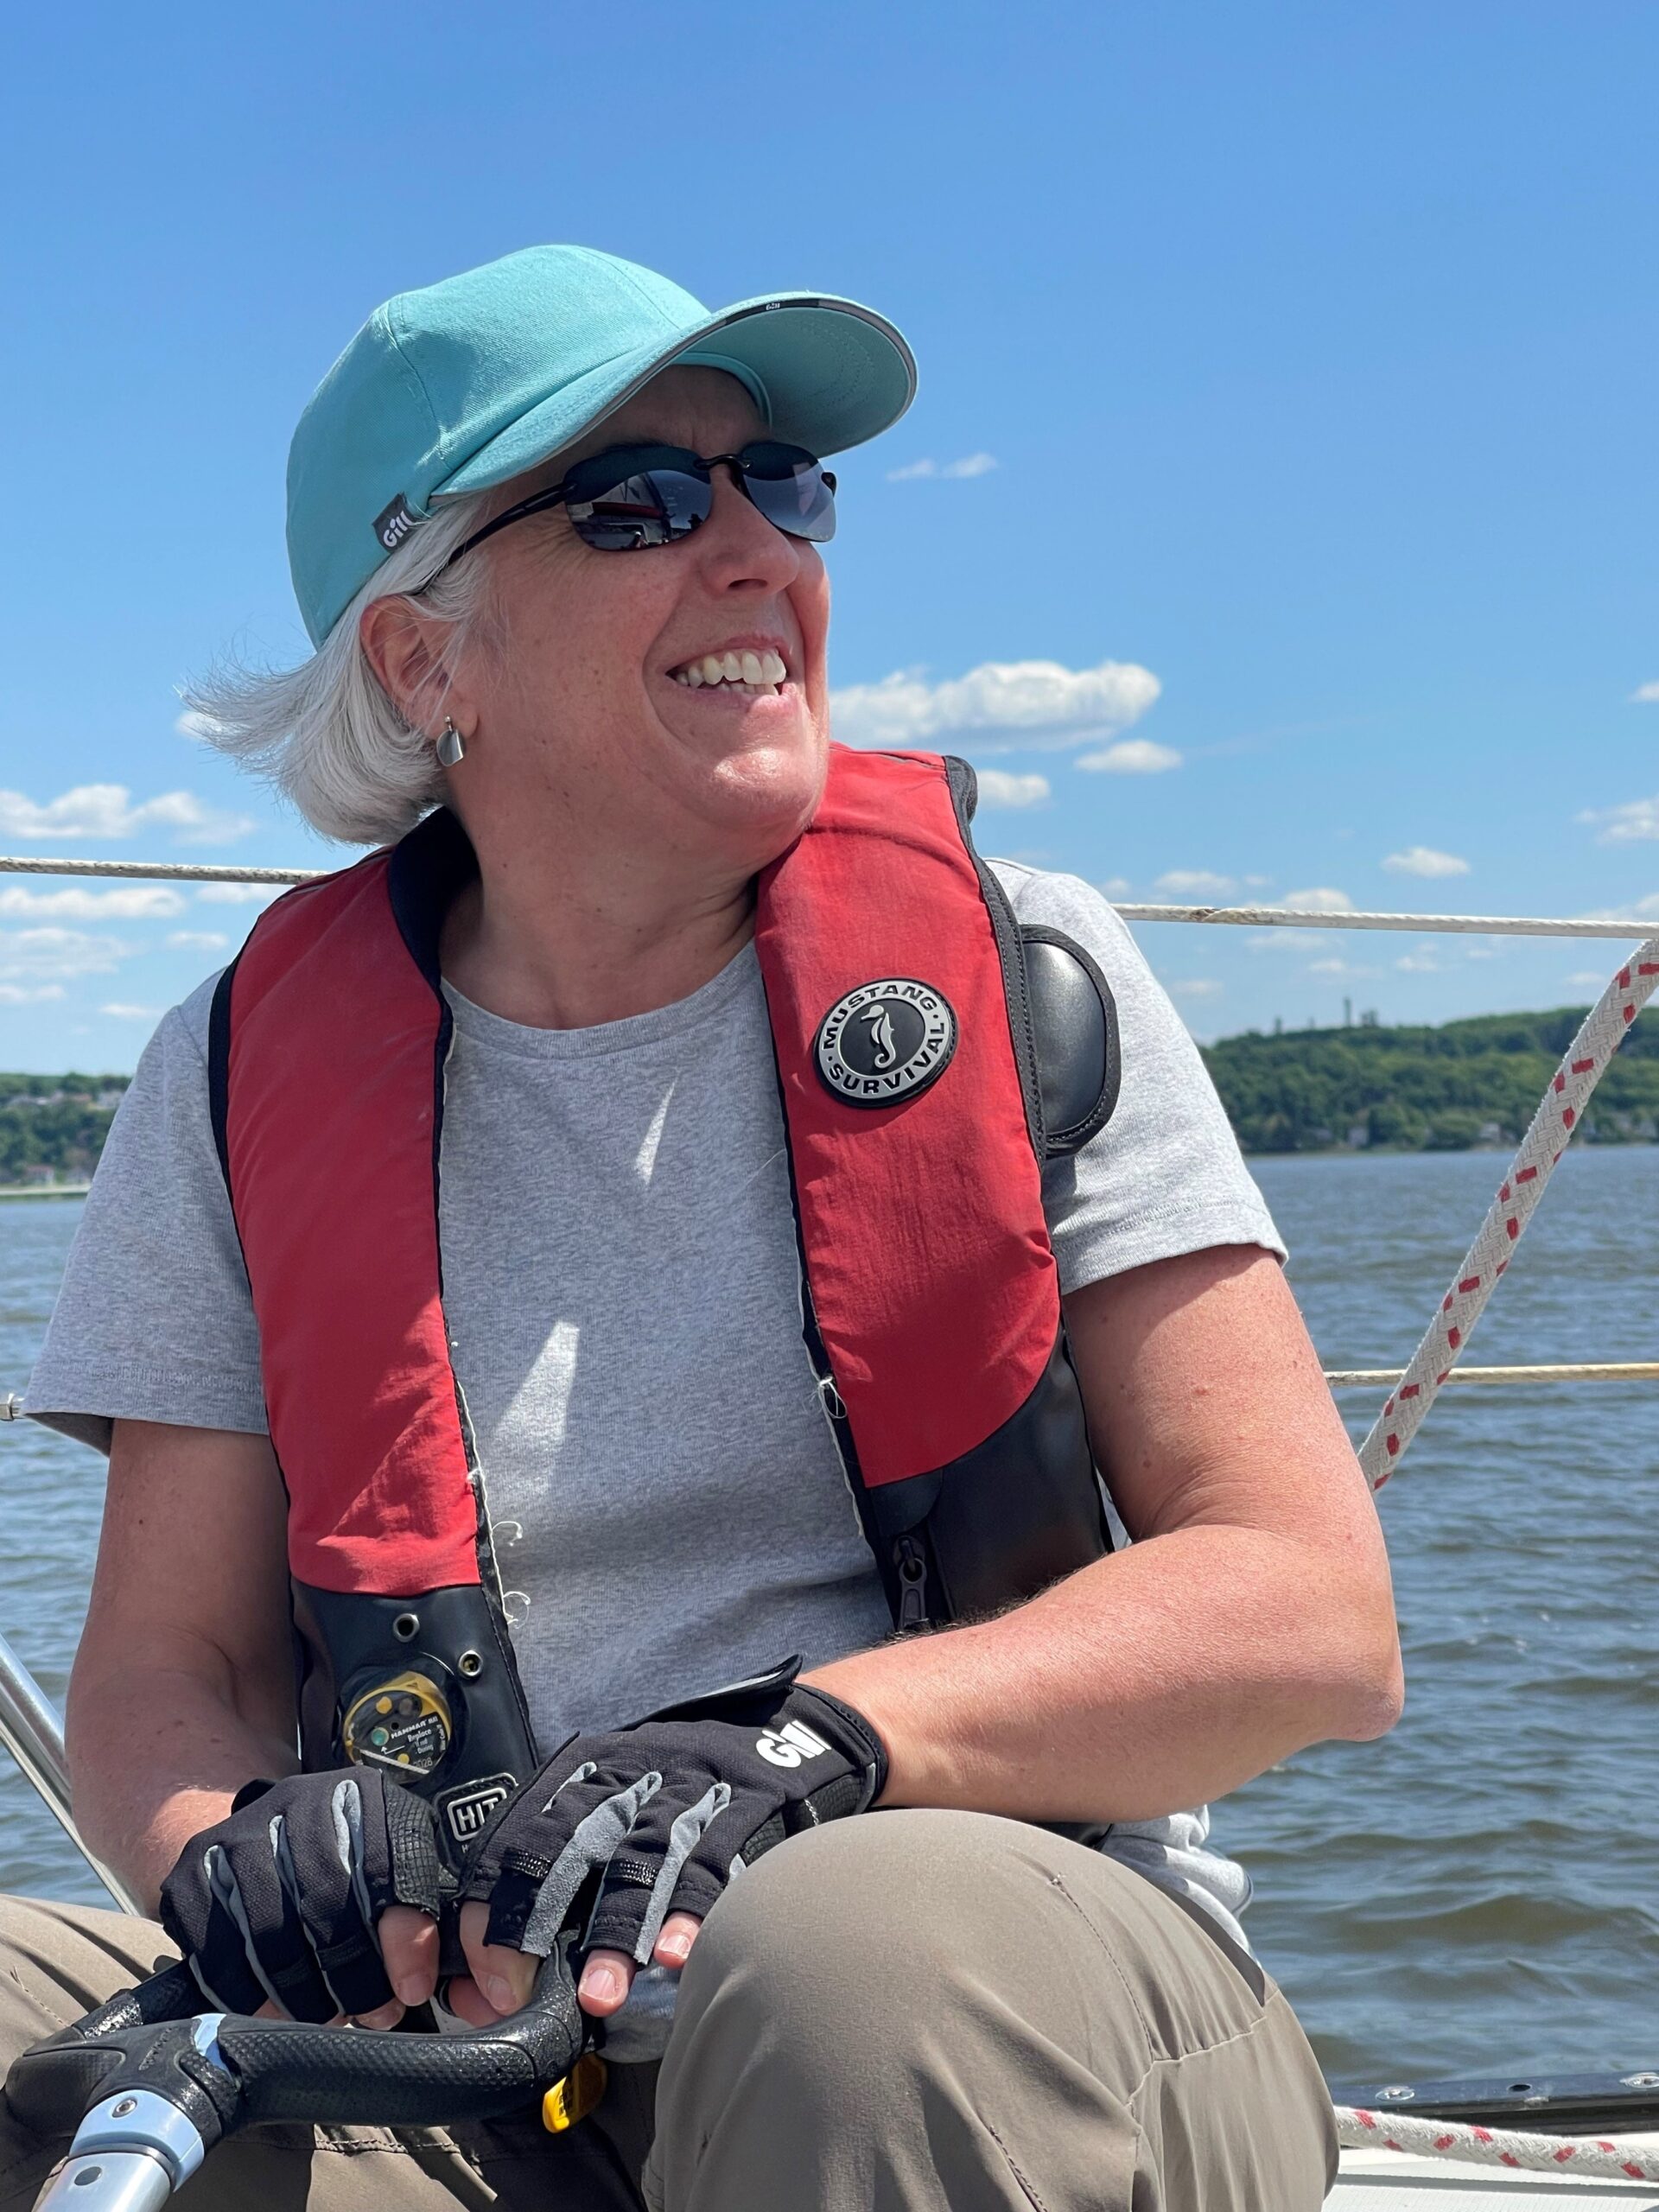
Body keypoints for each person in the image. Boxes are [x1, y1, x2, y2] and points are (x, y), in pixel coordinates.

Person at [3, 244, 1402, 2211]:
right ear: (420, 664)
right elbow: (171, 1666)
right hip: (473, 2066)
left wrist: (818, 1741)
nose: (758, 550)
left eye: (785, 485)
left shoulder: (1031, 976)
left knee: (852, 1971)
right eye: (640, 501)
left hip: (1014, 1993)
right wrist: (226, 1847)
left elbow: (1308, 1610)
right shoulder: (232, 1074)